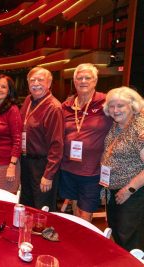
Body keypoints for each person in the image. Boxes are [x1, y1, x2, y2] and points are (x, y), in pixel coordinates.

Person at [60, 63, 112, 221]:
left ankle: (84, 243)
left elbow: (134, 107)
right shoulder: (67, 106)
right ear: (74, 82)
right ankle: (77, 242)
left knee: (85, 213)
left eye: (87, 78)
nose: (83, 81)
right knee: (76, 210)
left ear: (95, 81)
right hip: (69, 168)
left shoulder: (106, 101)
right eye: (79, 78)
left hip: (93, 170)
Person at [101, 86, 144, 251]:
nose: (115, 110)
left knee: (130, 242)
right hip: (115, 193)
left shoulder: (139, 129)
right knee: (119, 237)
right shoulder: (117, 125)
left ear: (132, 106)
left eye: (120, 106)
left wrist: (129, 189)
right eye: (111, 106)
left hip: (132, 195)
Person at [19, 67, 63, 211]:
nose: (36, 83)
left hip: (42, 165)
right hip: (26, 161)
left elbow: (56, 145)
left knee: (42, 209)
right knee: (27, 205)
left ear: (49, 84)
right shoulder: (28, 100)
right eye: (32, 80)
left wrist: (48, 175)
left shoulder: (53, 107)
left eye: (40, 80)